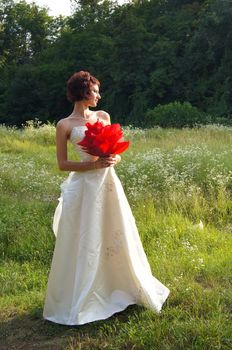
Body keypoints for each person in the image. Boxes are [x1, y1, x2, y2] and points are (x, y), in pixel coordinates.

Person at [43, 70, 170, 326]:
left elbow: (118, 150)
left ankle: (120, 286)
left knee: (115, 231)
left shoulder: (103, 116)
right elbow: (62, 164)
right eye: (95, 91)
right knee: (86, 238)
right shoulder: (64, 125)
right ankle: (83, 296)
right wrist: (94, 166)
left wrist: (112, 159)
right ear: (82, 92)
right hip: (84, 188)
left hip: (108, 184)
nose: (99, 96)